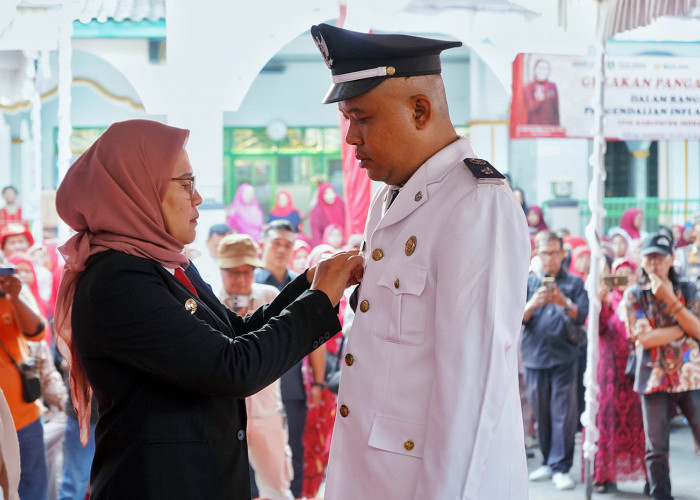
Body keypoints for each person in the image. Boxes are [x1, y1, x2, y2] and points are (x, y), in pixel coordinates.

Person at [52, 119, 362, 499]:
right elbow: (233, 367)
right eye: (186, 184)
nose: (197, 198)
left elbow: (236, 333)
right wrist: (318, 299)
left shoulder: (166, 264)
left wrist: (313, 282)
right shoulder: (118, 280)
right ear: (140, 190)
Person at [311, 23, 531, 499]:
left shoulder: (475, 205)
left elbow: (475, 387)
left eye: (361, 118)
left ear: (419, 110)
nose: (350, 138)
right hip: (375, 476)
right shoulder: (391, 196)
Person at [216, 234, 294, 500]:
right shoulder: (210, 300)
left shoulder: (269, 296)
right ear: (221, 270)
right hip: (222, 410)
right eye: (233, 272)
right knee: (222, 485)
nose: (240, 279)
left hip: (266, 408)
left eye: (247, 272)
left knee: (277, 484)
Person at [624, 232, 700, 500]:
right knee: (655, 449)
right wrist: (681, 330)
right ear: (641, 260)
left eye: (660, 257)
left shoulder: (688, 289)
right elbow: (643, 337)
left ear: (671, 259)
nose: (655, 263)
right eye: (649, 257)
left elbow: (699, 330)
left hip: (691, 377)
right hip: (653, 378)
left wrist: (670, 298)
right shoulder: (634, 295)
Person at [253, 219, 326, 498]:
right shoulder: (251, 281)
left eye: (287, 245)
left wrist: (317, 383)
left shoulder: (301, 285)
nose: (282, 250)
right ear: (262, 246)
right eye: (276, 243)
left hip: (291, 385)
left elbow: (315, 339)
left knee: (293, 447)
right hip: (256, 384)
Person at [522, 230, 589, 491]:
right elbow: (516, 318)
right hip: (534, 356)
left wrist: (563, 300)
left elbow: (581, 315)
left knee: (564, 414)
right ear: (536, 253)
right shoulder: (528, 282)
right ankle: (548, 462)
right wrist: (532, 305)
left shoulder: (573, 282)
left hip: (564, 357)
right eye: (543, 252)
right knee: (542, 414)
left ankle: (561, 467)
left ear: (563, 253)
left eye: (553, 252)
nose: (548, 257)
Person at [584, 257, 646, 493]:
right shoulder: (605, 299)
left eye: (628, 273)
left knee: (643, 424)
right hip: (609, 374)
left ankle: (653, 476)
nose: (624, 279)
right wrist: (600, 303)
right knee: (607, 423)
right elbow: (593, 329)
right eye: (619, 274)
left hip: (639, 371)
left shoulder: (642, 298)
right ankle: (604, 476)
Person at [0, 269, 48, 499]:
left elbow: (37, 333)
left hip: (22, 415)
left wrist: (15, 297)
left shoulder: (10, 292)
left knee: (32, 487)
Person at [191, 223, 233, 296]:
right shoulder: (197, 266)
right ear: (207, 242)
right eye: (217, 246)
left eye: (226, 247)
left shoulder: (239, 265)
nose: (222, 251)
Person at [523, 58, 560, 126]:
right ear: (535, 70)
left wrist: (557, 127)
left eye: (545, 68)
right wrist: (538, 100)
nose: (542, 71)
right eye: (540, 68)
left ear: (548, 71)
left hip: (549, 128)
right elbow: (530, 108)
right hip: (534, 129)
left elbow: (556, 110)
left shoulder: (552, 86)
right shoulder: (528, 87)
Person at [309, 182, 345, 247]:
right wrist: (320, 248)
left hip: (341, 243)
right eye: (326, 193)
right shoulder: (317, 210)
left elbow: (346, 221)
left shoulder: (340, 203)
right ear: (321, 195)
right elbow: (316, 233)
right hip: (325, 245)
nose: (330, 196)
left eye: (332, 192)